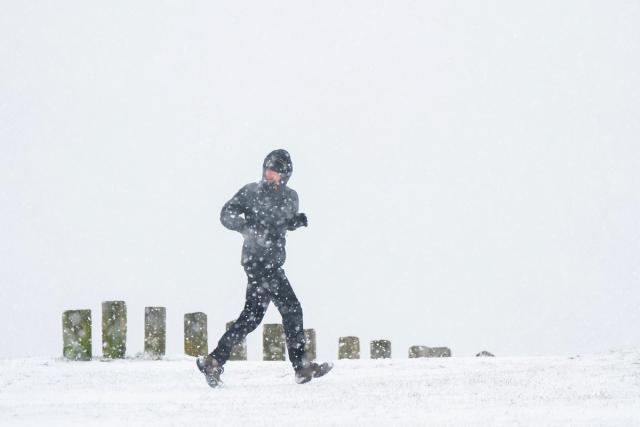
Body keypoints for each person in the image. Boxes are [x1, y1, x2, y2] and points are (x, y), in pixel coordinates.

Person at [197, 149, 332, 388]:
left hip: (273, 261)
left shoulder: (291, 197)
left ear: (285, 174)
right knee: (292, 309)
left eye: (274, 170)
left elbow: (279, 222)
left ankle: (214, 360)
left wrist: (294, 222)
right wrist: (246, 227)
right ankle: (300, 367)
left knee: (251, 317)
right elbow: (226, 214)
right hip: (257, 261)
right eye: (267, 168)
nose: (268, 173)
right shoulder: (251, 192)